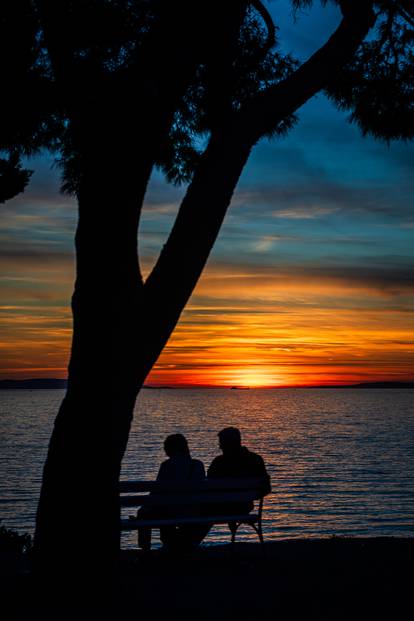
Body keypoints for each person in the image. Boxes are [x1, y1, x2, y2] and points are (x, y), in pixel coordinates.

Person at [138, 433, 205, 552]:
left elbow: (156, 492)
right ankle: (172, 545)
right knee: (166, 508)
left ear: (171, 448)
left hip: (171, 511)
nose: (164, 449)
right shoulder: (198, 465)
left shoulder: (167, 465)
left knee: (143, 513)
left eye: (165, 446)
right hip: (194, 510)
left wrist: (145, 507)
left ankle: (145, 549)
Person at [207, 426, 271, 514]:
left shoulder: (219, 462)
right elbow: (266, 488)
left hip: (220, 507)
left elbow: (209, 484)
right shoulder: (256, 459)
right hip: (244, 507)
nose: (220, 447)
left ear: (226, 444)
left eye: (221, 444)